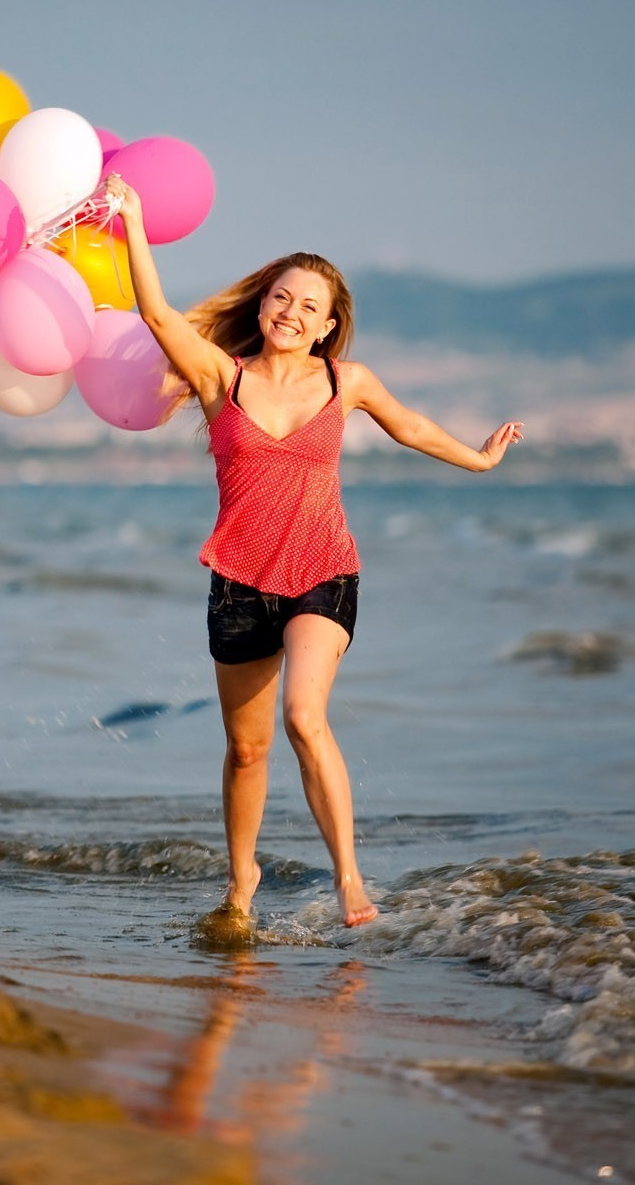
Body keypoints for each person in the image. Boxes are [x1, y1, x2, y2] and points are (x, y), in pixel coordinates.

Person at [104, 175, 524, 934]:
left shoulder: (345, 381)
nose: (291, 313)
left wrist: (480, 459)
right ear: (263, 304)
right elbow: (158, 314)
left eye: (308, 307)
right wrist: (134, 219)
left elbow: (412, 427)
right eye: (281, 298)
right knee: (246, 749)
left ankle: (348, 875)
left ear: (328, 327)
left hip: (322, 572)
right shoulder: (220, 376)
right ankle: (242, 878)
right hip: (238, 582)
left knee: (304, 715)